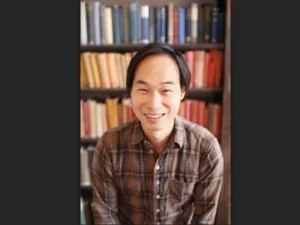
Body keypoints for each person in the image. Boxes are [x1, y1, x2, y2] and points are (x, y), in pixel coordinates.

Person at [91, 43, 224, 225]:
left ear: (182, 92)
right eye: (143, 90)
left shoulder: (206, 148)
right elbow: (105, 216)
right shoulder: (109, 145)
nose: (154, 104)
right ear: (131, 91)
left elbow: (204, 219)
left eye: (166, 90)